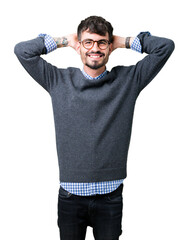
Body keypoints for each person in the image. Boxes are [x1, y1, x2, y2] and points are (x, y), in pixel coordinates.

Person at [14, 16, 175, 240]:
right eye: (88, 42)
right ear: (79, 45)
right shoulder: (58, 81)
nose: (95, 49)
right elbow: (22, 51)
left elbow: (165, 47)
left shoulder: (128, 80)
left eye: (102, 42)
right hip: (70, 198)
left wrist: (122, 41)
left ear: (110, 46)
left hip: (110, 198)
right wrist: (64, 41)